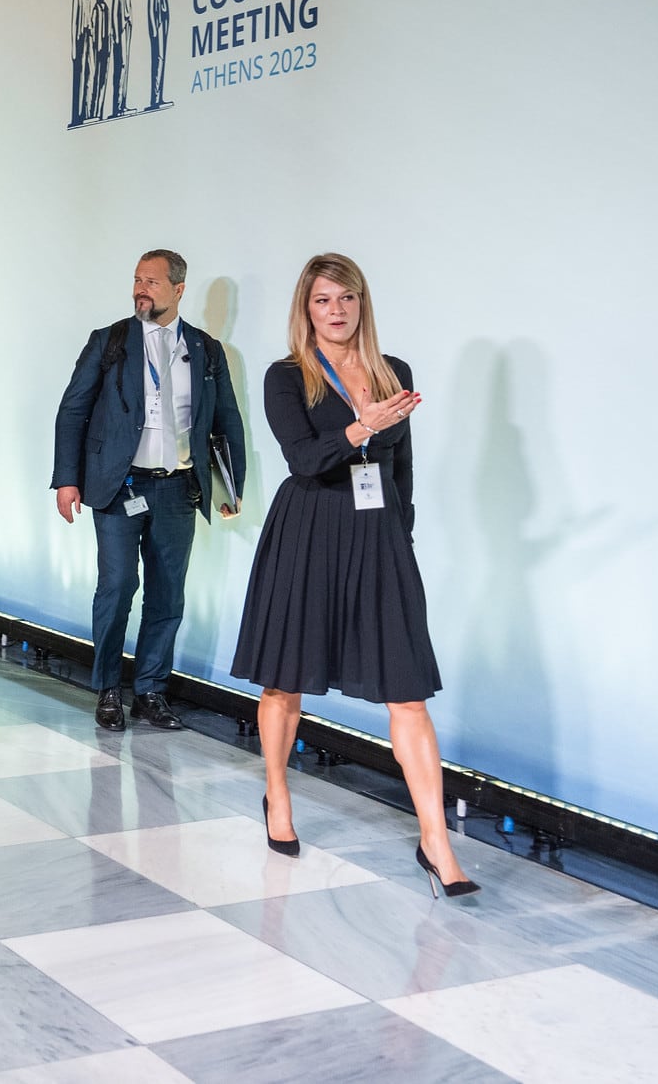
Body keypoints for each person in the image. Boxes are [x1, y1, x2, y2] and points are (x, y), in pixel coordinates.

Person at [232, 253, 476, 895]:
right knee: (285, 680)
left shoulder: (395, 373)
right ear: (305, 309)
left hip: (377, 536)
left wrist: (403, 535)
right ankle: (277, 795)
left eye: (347, 298)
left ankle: (435, 841)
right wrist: (362, 424)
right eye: (322, 300)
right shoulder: (286, 376)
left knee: (408, 691)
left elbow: (402, 468)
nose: (336, 310)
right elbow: (305, 459)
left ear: (362, 304)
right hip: (309, 529)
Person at [52, 249, 246, 733]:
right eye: (137, 279)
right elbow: (73, 410)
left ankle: (152, 691)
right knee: (116, 588)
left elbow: (226, 423)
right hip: (120, 486)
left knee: (168, 596)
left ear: (179, 290)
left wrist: (229, 487)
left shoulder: (205, 349)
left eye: (153, 282)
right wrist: (67, 479)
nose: (142, 288)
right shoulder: (110, 340)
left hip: (179, 490)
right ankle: (108, 689)